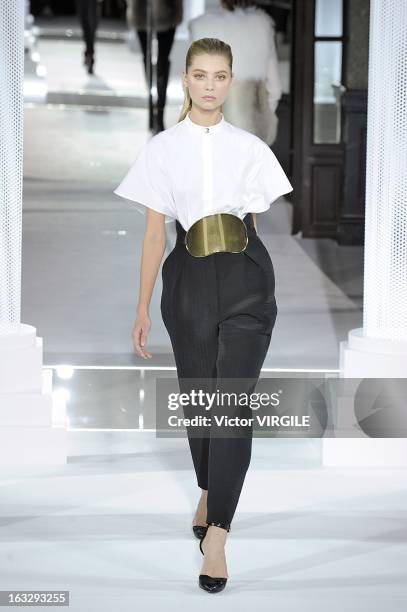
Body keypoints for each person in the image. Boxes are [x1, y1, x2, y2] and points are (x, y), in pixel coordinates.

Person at [113, 37, 293, 594]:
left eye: (220, 76)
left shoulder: (251, 149)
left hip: (246, 282)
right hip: (187, 283)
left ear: (230, 82)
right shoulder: (162, 149)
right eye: (200, 75)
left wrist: (258, 281)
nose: (210, 85)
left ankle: (218, 533)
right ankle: (208, 485)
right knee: (200, 399)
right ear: (185, 81)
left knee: (231, 405)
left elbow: (257, 228)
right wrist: (142, 306)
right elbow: (151, 237)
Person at [189, 0, 282, 144]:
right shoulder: (262, 27)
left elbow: (191, 87)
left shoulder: (201, 28)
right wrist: (265, 115)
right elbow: (275, 89)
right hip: (253, 131)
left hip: (210, 130)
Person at [127, 0, 183, 133]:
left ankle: (159, 110)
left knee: (161, 61)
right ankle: (154, 108)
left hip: (166, 12)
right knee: (151, 59)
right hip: (143, 11)